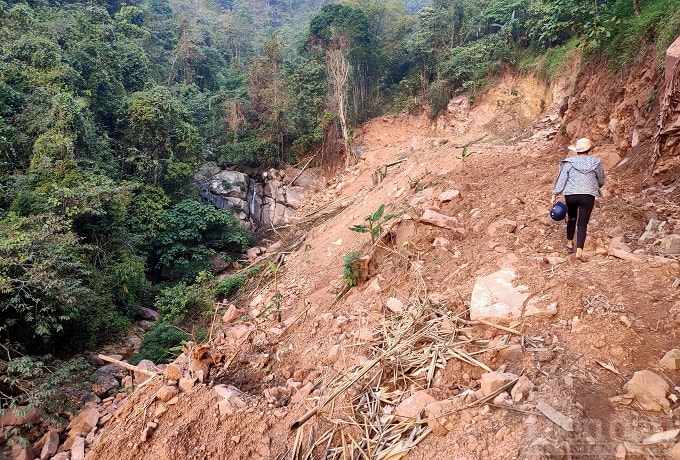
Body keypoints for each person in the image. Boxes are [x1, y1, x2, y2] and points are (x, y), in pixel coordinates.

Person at [550, 138, 605, 260]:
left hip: (572, 195)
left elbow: (562, 180)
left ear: (576, 150)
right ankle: (579, 251)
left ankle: (570, 243)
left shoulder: (568, 163)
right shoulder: (596, 162)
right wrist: (595, 186)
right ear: (590, 149)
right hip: (588, 195)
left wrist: (555, 193)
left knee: (572, 218)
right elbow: (601, 179)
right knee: (582, 224)